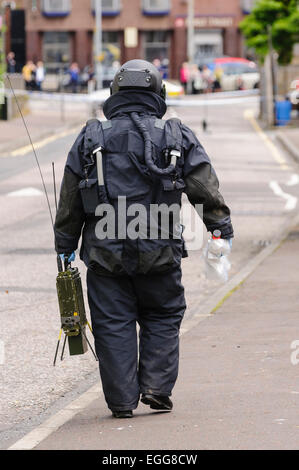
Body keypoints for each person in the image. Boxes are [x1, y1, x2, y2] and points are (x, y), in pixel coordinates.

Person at [54, 59, 233, 419]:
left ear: (114, 95)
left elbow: (71, 197)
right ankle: (155, 387)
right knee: (163, 314)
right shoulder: (175, 136)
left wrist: (65, 246)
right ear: (158, 93)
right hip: (160, 252)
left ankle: (121, 402)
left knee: (112, 323)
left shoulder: (92, 137)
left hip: (105, 256)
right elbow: (203, 186)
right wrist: (219, 229)